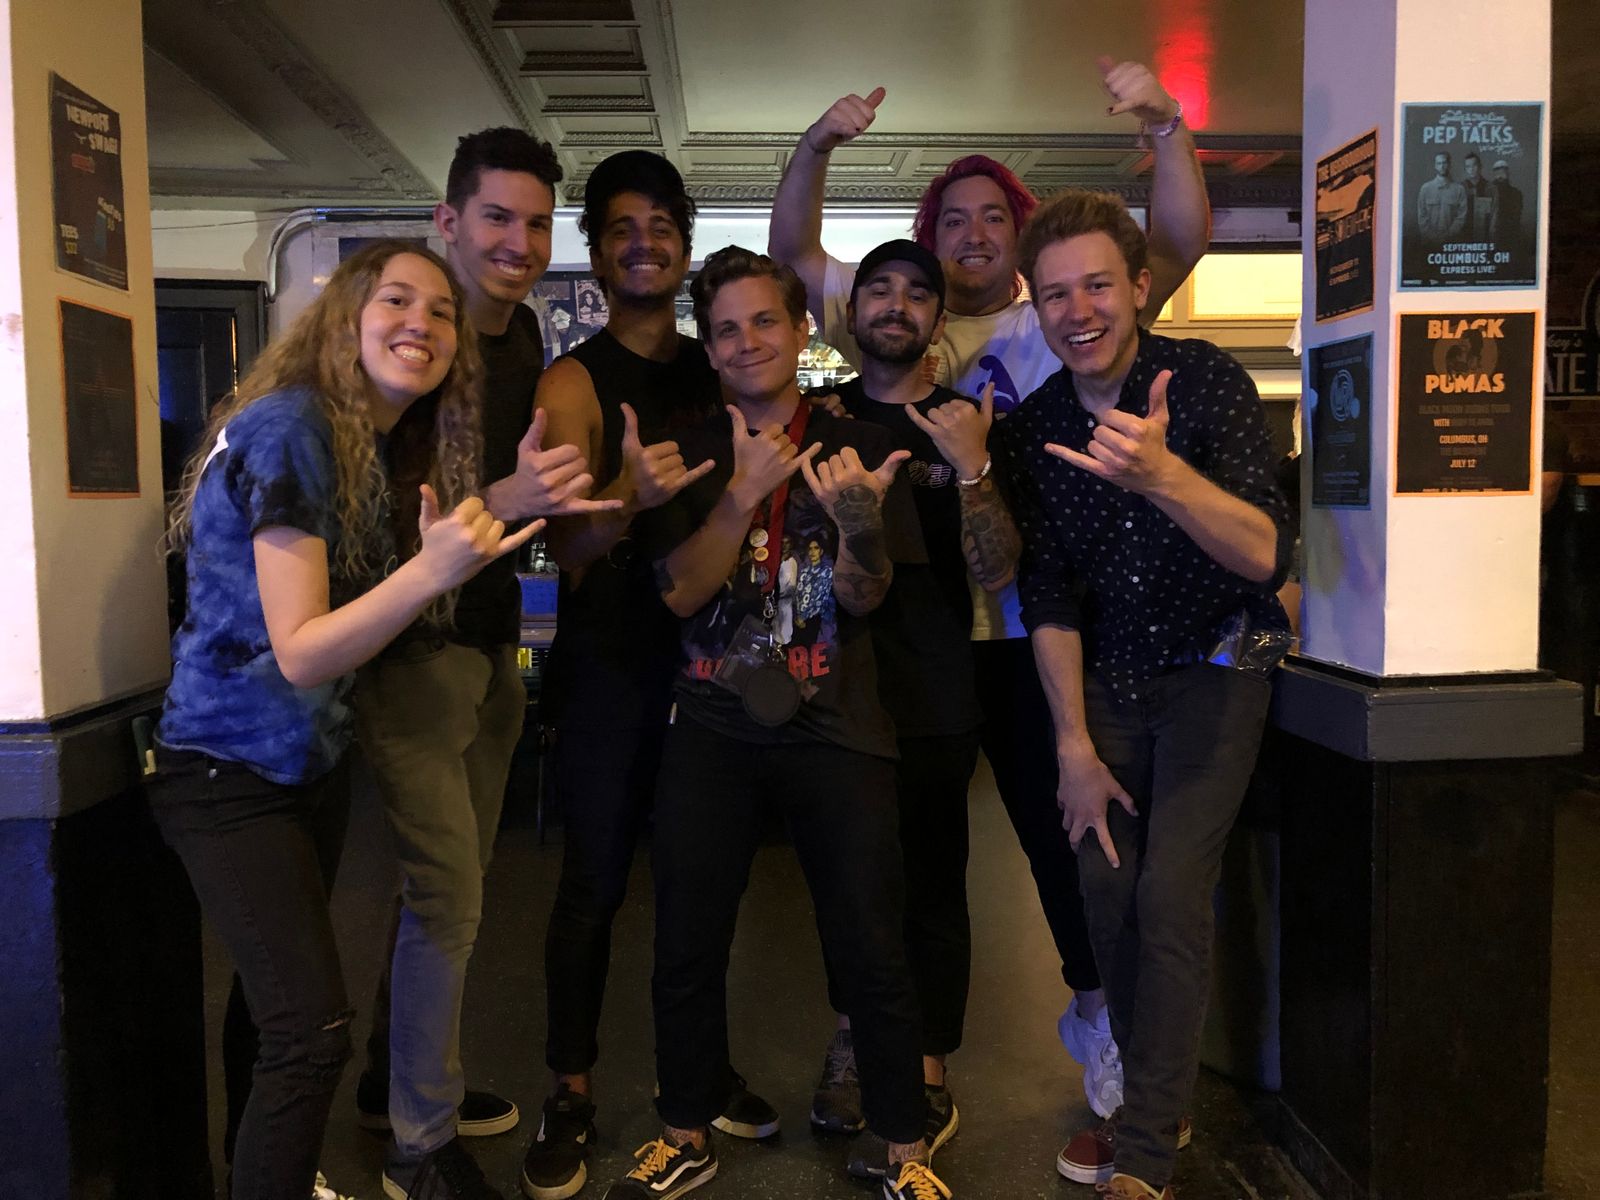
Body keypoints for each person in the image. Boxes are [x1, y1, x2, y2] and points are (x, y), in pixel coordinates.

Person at [768, 55, 1210, 1123]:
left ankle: (1097, 1015)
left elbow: (1177, 243)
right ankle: (880, 1042)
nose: (971, 235)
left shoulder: (1047, 322)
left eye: (992, 217)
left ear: (1021, 236)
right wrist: (815, 145)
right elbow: (793, 257)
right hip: (911, 638)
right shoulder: (899, 320)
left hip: (1027, 632)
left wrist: (1167, 128)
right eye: (951, 220)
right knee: (899, 855)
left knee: (1065, 837)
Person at [147, 241, 539, 1200]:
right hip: (225, 770)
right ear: (345, 318)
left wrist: (459, 540)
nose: (422, 323)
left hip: (299, 766)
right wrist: (431, 572)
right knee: (311, 1032)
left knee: (268, 1015)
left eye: (441, 311)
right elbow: (302, 650)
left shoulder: (361, 439)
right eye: (396, 300)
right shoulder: (293, 427)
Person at [602, 246, 948, 1200]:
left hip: (836, 722)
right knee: (686, 937)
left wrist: (861, 525)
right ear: (708, 348)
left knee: (871, 940)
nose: (747, 341)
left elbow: (865, 595)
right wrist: (743, 493)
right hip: (713, 722)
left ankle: (903, 1146)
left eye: (765, 320)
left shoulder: (860, 442)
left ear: (801, 330)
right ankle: (685, 1129)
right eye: (725, 329)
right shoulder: (682, 451)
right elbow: (680, 595)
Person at [992, 190, 1291, 1200]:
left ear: (1139, 287)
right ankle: (1149, 1097)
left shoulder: (1203, 380)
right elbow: (1047, 594)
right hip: (1107, 683)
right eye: (1055, 294)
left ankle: (1147, 1150)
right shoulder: (1035, 430)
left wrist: (1163, 476)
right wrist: (1071, 745)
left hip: (1219, 664)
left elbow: (1265, 552)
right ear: (1035, 305)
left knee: (1168, 896)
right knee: (1107, 886)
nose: (1078, 311)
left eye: (1097, 287)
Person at [347, 129, 620, 1200]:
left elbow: (528, 517)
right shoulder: (414, 348)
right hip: (412, 656)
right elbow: (374, 523)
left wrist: (582, 504)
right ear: (448, 221)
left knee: (446, 895)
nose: (518, 242)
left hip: (491, 646)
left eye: (536, 223)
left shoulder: (522, 342)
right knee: (446, 902)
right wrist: (508, 500)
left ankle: (399, 1082)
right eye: (496, 218)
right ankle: (418, 1147)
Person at [521, 151, 775, 1200]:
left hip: (712, 662)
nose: (642, 243)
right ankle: (570, 1091)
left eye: (661, 225)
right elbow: (563, 556)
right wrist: (625, 497)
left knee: (700, 887)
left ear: (683, 244)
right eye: (621, 227)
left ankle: (698, 1074)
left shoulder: (716, 366)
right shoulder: (572, 382)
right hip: (611, 669)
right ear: (595, 250)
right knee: (593, 885)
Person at [803, 239, 1021, 1184]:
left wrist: (973, 470)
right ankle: (856, 1039)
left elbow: (998, 569)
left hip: (936, 690)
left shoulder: (963, 422)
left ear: (939, 317)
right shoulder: (819, 422)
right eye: (879, 289)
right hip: (836, 691)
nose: (896, 304)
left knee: (932, 883)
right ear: (852, 312)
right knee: (849, 885)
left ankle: (928, 1066)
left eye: (917, 293)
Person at [1417, 151, 1467, 245]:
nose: (1442, 166)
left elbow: (1461, 217)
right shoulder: (1425, 189)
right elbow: (1422, 217)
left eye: (1444, 163)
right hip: (1429, 243)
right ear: (1435, 166)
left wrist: (1447, 236)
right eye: (1439, 163)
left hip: (1451, 242)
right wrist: (1433, 237)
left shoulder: (1459, 189)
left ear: (1449, 165)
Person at [1460, 151, 1498, 242]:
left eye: (1474, 165)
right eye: (1468, 167)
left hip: (1486, 236)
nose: (1471, 169)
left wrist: (1492, 235)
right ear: (1465, 169)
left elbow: (1495, 213)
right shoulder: (1460, 188)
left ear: (1480, 166)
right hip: (1463, 236)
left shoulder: (1491, 188)